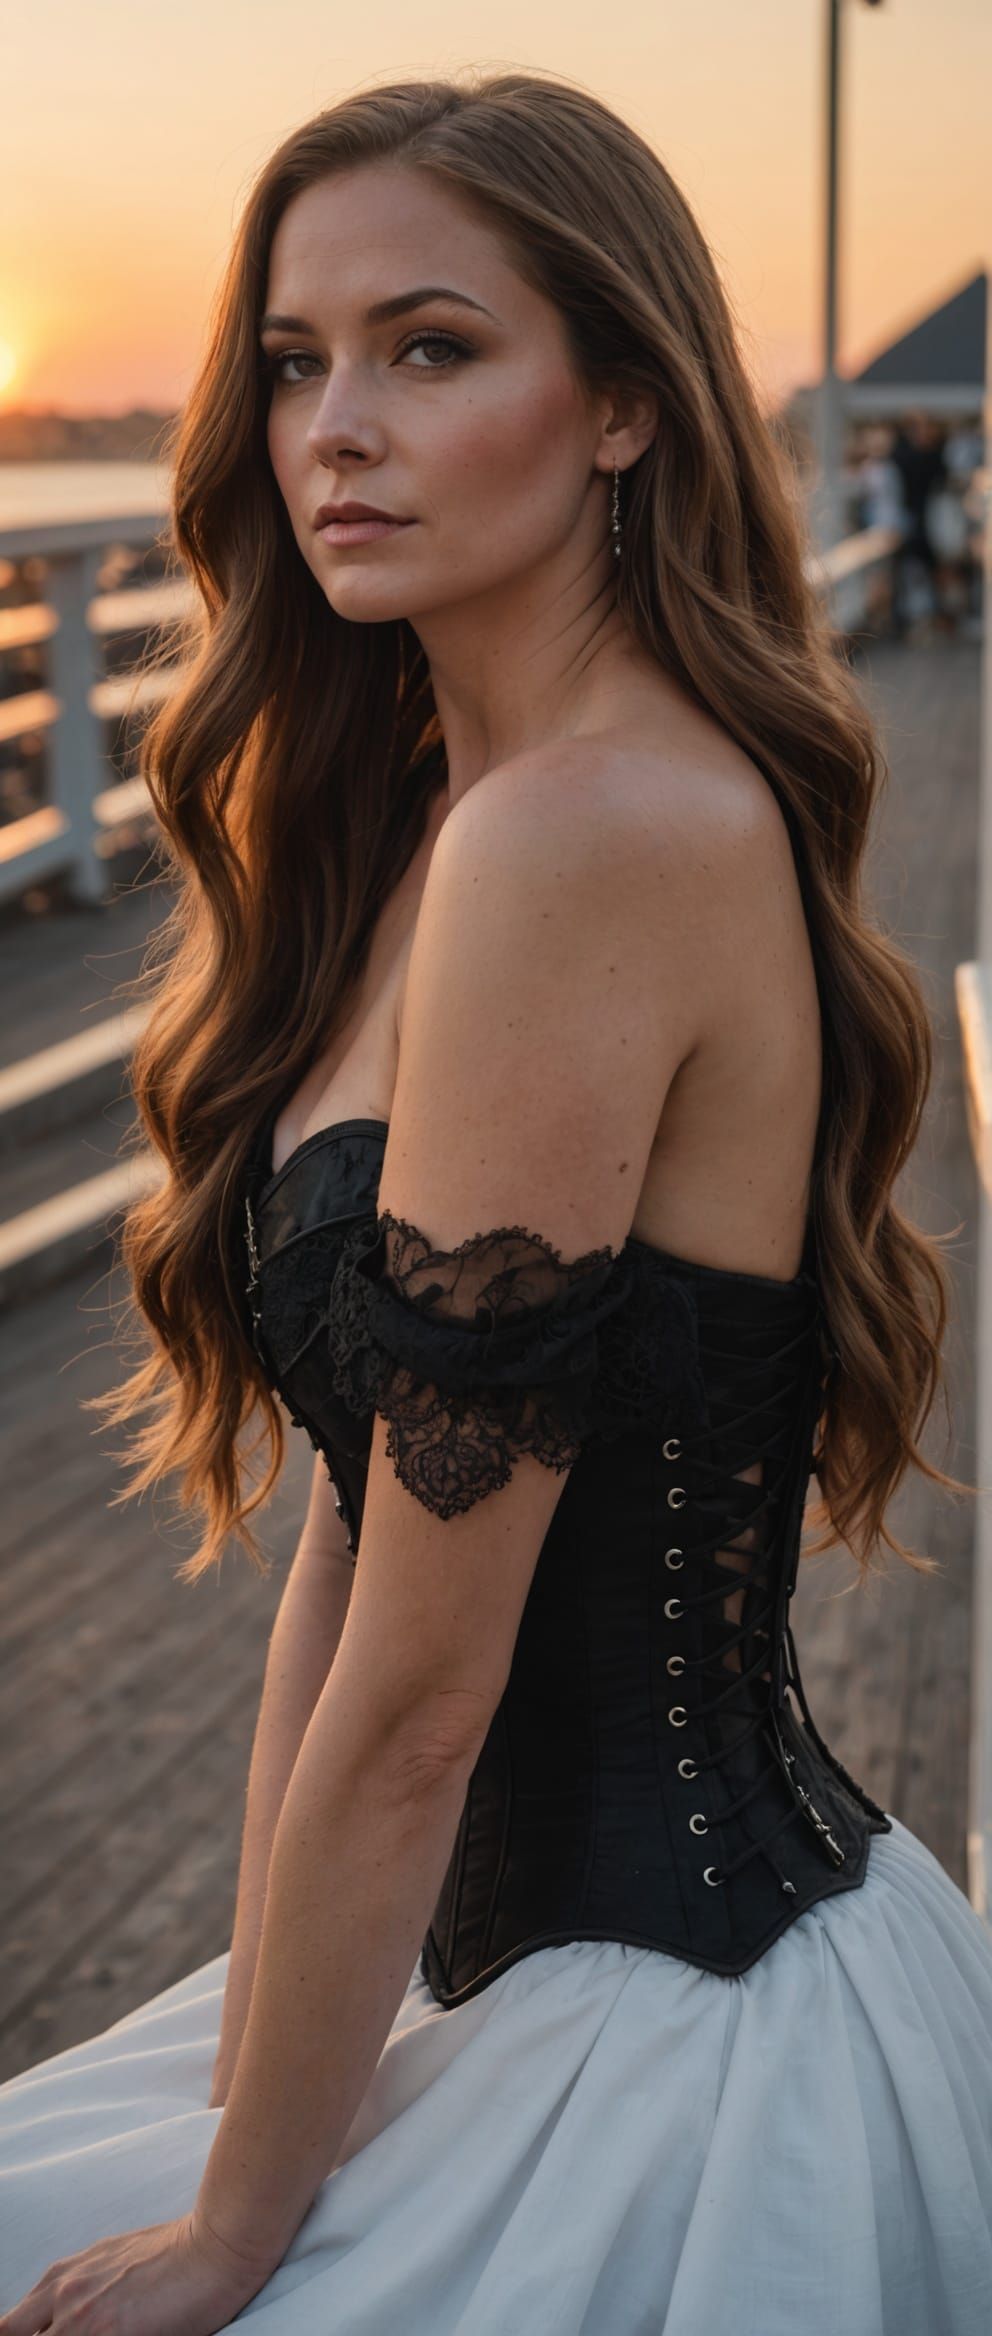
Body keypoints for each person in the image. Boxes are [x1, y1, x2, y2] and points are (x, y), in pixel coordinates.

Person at [1, 68, 991, 2336]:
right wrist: (271, 2077)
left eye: (429, 349)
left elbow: (430, 1687)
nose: (333, 424)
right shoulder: (450, 824)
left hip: (683, 2044)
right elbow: (355, 1542)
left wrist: (236, 2234)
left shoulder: (589, 838)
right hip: (469, 1981)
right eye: (291, 360)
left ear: (624, 406)